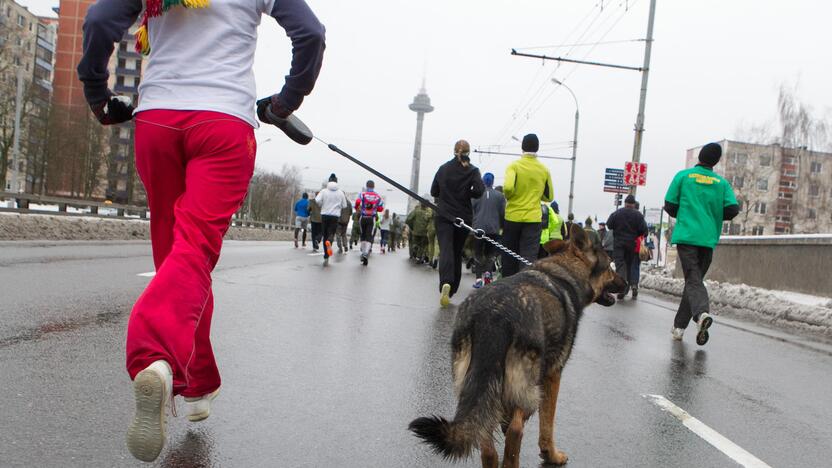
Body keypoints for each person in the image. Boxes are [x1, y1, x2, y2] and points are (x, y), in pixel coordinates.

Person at [78, 0, 325, 461]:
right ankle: (153, 356)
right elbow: (310, 33)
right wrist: (284, 102)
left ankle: (196, 385)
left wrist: (97, 95)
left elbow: (97, 22)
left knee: (176, 260)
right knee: (192, 253)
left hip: (157, 120)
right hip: (223, 123)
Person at [665, 142, 739, 345]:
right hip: (708, 239)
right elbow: (733, 210)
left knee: (693, 280)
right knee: (694, 281)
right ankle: (679, 327)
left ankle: (701, 315)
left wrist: (686, 213)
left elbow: (670, 205)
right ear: (716, 161)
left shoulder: (683, 176)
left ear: (700, 156)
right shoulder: (721, 183)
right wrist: (712, 214)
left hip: (687, 235)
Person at [430, 140, 485, 307]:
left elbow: (434, 191)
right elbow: (479, 191)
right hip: (463, 218)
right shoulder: (473, 170)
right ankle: (452, 288)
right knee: (456, 251)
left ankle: (445, 282)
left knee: (446, 249)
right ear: (469, 152)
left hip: (444, 215)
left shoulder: (443, 168)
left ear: (454, 151)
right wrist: (467, 191)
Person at [501, 133, 554, 277]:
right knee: (528, 258)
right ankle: (524, 288)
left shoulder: (514, 166)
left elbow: (508, 188)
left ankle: (507, 287)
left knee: (509, 255)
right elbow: (549, 196)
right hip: (533, 219)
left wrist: (511, 197)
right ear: (537, 148)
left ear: (522, 147)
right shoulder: (544, 170)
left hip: (513, 217)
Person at [606, 194, 648, 299]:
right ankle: (633, 285)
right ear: (633, 204)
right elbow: (644, 231)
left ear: (625, 203)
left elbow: (609, 224)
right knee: (632, 265)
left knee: (620, 265)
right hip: (633, 245)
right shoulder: (638, 215)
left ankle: (622, 287)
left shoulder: (617, 213)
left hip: (619, 244)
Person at [471, 172, 505, 288]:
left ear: (482, 181)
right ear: (493, 182)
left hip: (478, 228)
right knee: (490, 253)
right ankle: (488, 274)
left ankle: (478, 279)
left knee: (478, 253)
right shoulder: (500, 196)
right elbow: (503, 213)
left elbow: (472, 210)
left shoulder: (476, 195)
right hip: (493, 229)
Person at [315, 173, 348, 264]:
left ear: (329, 181)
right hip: (335, 217)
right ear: (336, 182)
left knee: (325, 235)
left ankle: (326, 255)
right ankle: (329, 241)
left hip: (325, 215)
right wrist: (338, 206)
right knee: (331, 234)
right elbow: (344, 205)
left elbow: (317, 200)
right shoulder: (340, 192)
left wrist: (322, 205)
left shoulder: (324, 191)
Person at [355, 180, 384, 265]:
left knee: (363, 235)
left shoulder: (362, 194)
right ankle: (365, 253)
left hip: (363, 217)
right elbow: (381, 208)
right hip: (372, 218)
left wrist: (357, 207)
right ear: (373, 186)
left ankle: (363, 252)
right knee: (369, 236)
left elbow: (357, 202)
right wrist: (375, 209)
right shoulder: (377, 196)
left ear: (366, 186)